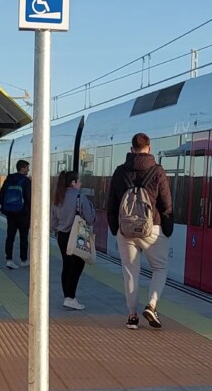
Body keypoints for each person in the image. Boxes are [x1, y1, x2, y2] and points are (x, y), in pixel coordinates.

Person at [107, 133, 173, 330]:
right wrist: (167, 229)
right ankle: (151, 305)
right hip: (152, 228)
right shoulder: (158, 171)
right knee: (159, 268)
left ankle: (132, 316)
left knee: (130, 272)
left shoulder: (119, 172)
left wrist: (115, 229)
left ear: (131, 149)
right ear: (149, 148)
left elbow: (112, 204)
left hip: (126, 230)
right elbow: (166, 204)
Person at [52, 170, 96, 310]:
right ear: (73, 182)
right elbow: (90, 218)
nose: (80, 183)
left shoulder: (58, 197)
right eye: (79, 181)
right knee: (77, 266)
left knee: (66, 265)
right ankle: (70, 298)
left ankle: (67, 296)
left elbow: (53, 221)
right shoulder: (79, 197)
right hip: (76, 236)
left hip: (62, 236)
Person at [0, 159, 31, 269]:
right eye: (27, 168)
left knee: (10, 236)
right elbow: (29, 198)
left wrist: (7, 208)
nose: (28, 170)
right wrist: (29, 211)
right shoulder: (26, 181)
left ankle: (9, 260)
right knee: (23, 237)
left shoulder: (9, 179)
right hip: (23, 214)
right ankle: (23, 260)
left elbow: (1, 195)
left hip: (10, 214)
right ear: (22, 168)